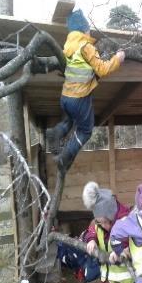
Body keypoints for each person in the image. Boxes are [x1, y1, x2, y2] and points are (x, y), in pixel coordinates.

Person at [46, 9, 126, 172]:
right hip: (79, 98)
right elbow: (102, 69)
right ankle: (64, 157)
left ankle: (55, 133)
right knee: (85, 130)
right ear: (83, 29)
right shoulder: (86, 46)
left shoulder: (68, 47)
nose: (90, 30)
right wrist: (118, 59)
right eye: (88, 27)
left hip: (66, 97)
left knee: (69, 121)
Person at [83, 181, 134, 283]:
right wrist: (91, 240)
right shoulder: (99, 223)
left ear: (112, 215)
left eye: (105, 222)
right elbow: (92, 228)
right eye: (100, 222)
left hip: (123, 282)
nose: (103, 225)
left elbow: (133, 245)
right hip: (106, 280)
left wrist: (122, 253)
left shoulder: (125, 223)